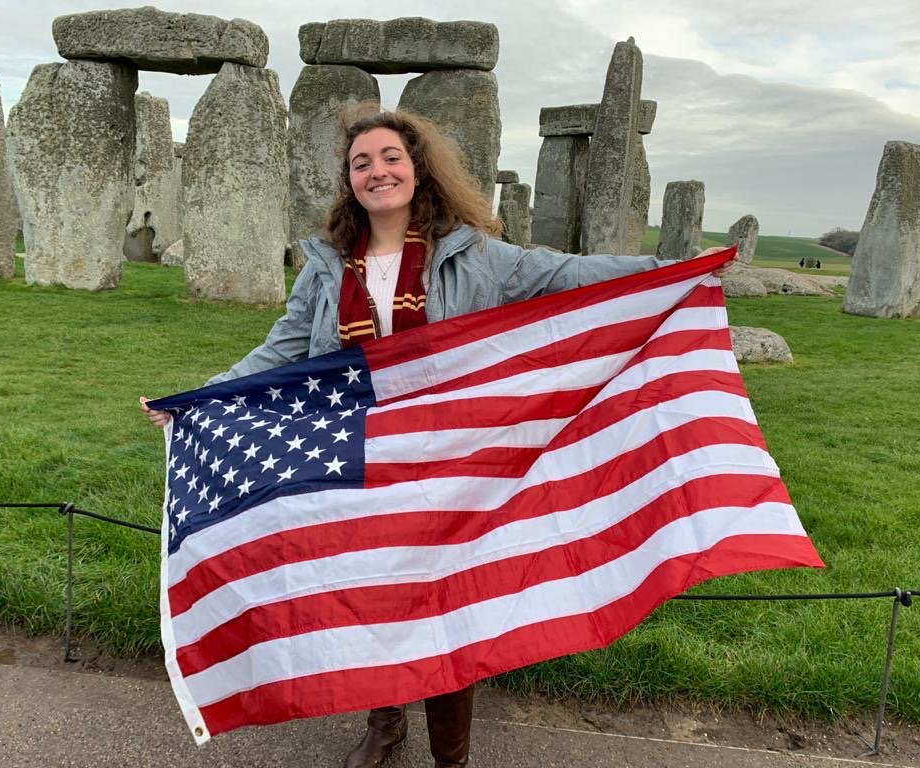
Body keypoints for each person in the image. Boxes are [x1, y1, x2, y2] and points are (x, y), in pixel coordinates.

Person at [143, 107, 733, 767]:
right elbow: (280, 350)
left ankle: (451, 757)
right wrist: (198, 399)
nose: (377, 171)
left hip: (448, 465)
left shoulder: (474, 256)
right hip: (361, 459)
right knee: (375, 595)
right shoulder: (328, 267)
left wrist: (676, 269)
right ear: (349, 180)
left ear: (417, 167)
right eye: (361, 162)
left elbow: (563, 276)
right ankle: (386, 725)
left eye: (390, 157)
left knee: (450, 607)